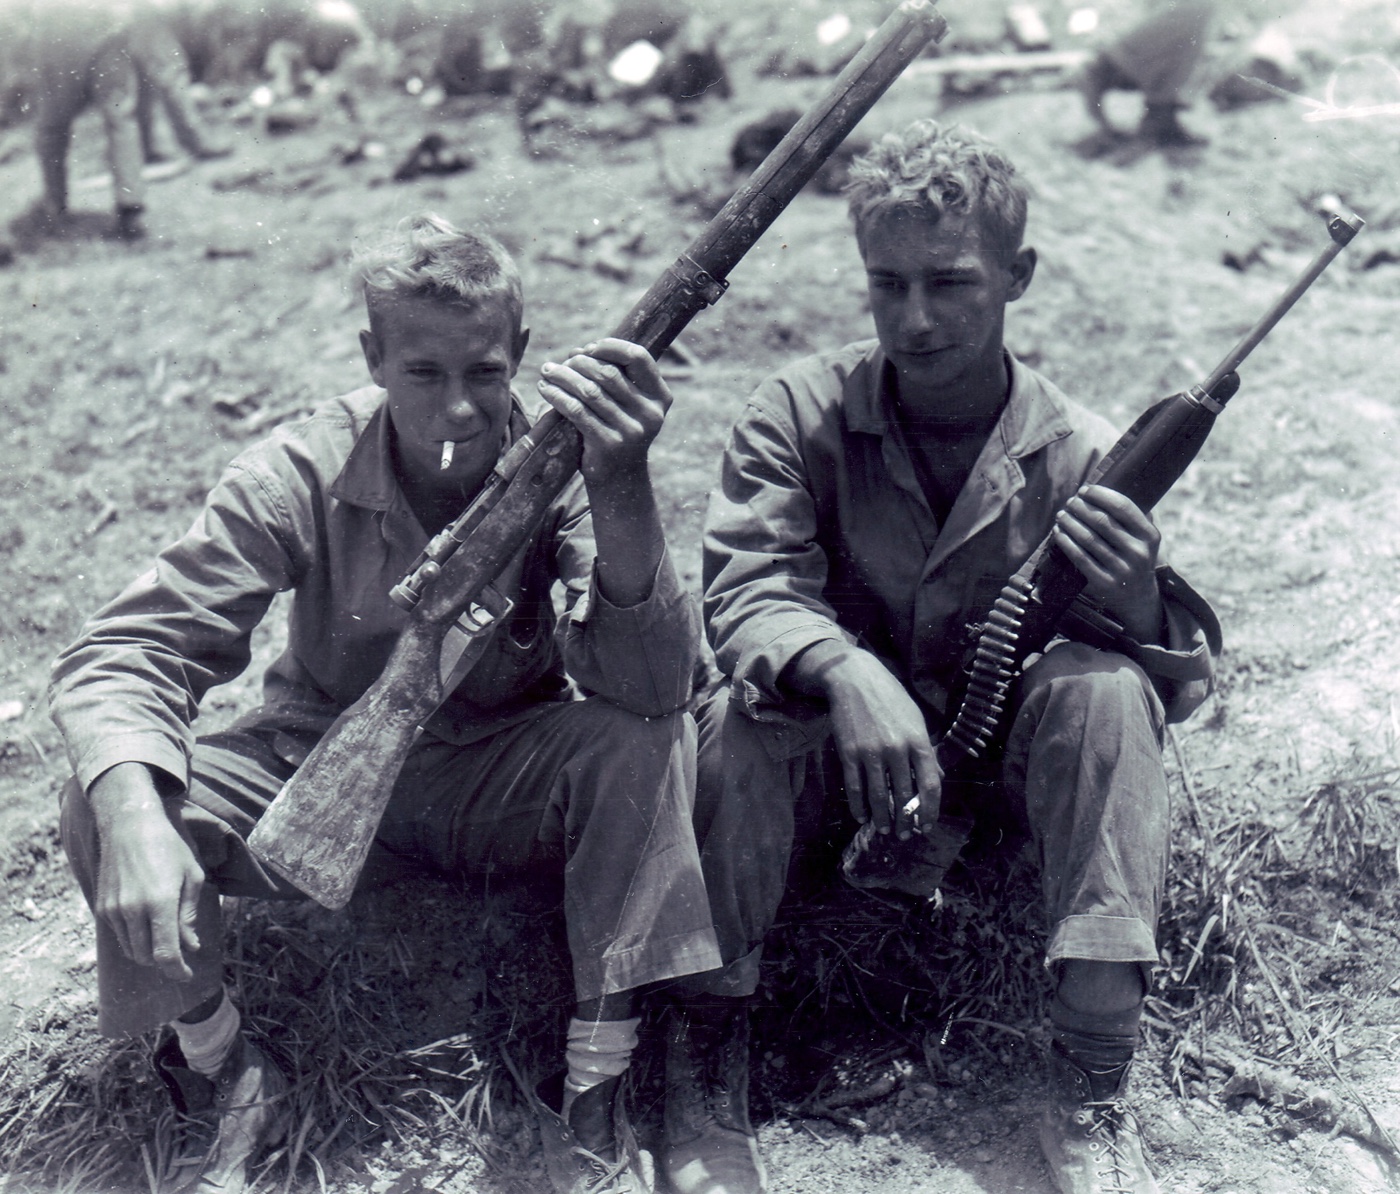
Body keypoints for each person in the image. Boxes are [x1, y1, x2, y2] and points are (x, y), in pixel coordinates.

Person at [49, 213, 721, 1194]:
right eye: (423, 374)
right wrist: (133, 818)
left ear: (522, 357)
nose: (458, 409)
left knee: (643, 742)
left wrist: (621, 486)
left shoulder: (562, 467)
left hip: (495, 776)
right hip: (309, 759)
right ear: (373, 356)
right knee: (105, 797)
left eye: (485, 375)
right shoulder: (300, 470)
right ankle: (216, 1062)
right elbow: (123, 649)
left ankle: (599, 1076)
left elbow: (659, 684)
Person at [681, 121, 1221, 1194]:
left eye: (949, 282)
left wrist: (1127, 595)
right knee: (736, 721)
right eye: (885, 285)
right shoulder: (797, 413)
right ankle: (703, 1056)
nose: (913, 318)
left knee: (1107, 694)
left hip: (988, 794)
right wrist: (841, 670)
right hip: (828, 779)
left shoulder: (1080, 451)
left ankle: (1089, 1080)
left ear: (1017, 276)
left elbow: (1182, 681)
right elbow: (744, 591)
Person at [1077, 1, 1215, 147]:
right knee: (1198, 8)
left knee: (1200, 15)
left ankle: (1160, 112)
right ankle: (1105, 68)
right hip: (1120, 63)